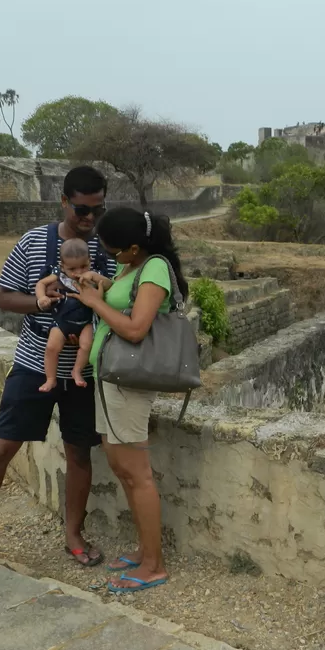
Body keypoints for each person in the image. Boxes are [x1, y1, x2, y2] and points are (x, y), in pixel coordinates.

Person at [0, 165, 115, 572]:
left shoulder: (106, 250)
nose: (89, 220)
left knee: (79, 453)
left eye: (97, 211)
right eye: (82, 210)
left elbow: (116, 300)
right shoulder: (34, 243)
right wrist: (42, 303)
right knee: (0, 448)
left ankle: (73, 536)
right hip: (36, 362)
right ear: (64, 201)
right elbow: (5, 297)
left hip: (83, 371)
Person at [75, 207, 189, 594]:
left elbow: (136, 328)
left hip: (128, 382)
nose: (110, 257)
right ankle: (145, 551)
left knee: (136, 474)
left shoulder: (154, 267)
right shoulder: (132, 265)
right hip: (111, 378)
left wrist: (94, 302)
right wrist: (104, 284)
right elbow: (123, 299)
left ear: (134, 248)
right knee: (122, 469)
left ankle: (155, 565)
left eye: (113, 253)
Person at [35, 238, 95, 391]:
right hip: (62, 320)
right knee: (51, 347)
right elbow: (41, 283)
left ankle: (77, 371)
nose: (79, 272)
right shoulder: (59, 275)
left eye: (84, 266)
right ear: (63, 267)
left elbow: (105, 288)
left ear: (90, 261)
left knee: (87, 345)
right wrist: (42, 298)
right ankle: (50, 378)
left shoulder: (94, 275)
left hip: (85, 321)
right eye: (72, 269)